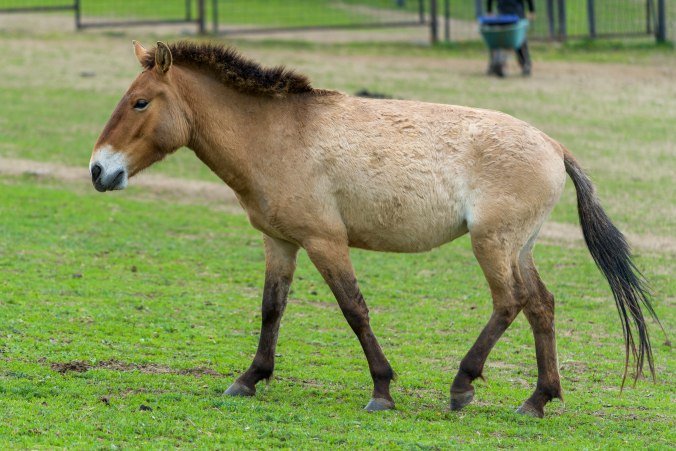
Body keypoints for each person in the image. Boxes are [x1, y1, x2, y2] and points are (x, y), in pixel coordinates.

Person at [486, 0, 535, 76]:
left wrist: (489, 10)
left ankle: (524, 64)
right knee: (518, 39)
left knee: (504, 39)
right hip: (507, 15)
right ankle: (525, 64)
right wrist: (531, 10)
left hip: (510, 15)